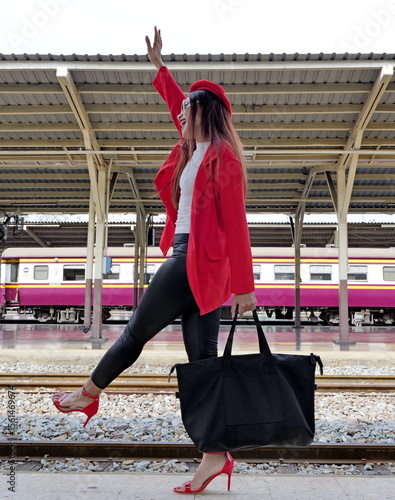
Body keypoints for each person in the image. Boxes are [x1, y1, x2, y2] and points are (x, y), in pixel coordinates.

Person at [52, 26, 256, 494]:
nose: (181, 110)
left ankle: (89, 393)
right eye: (181, 107)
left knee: (134, 331)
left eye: (189, 107)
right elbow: (175, 101)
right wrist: (160, 67)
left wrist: (244, 286)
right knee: (202, 365)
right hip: (197, 269)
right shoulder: (191, 146)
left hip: (195, 262)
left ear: (205, 112)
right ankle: (214, 458)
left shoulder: (224, 158)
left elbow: (238, 225)